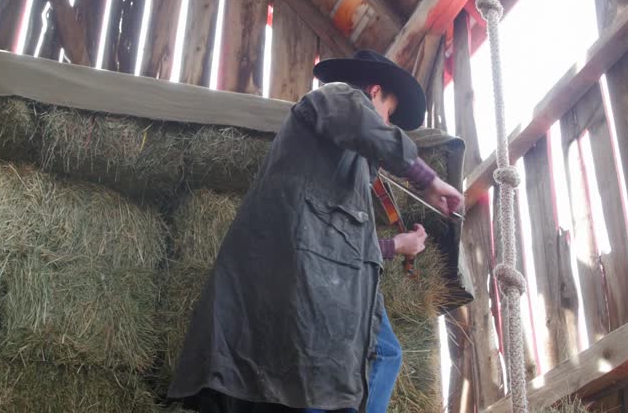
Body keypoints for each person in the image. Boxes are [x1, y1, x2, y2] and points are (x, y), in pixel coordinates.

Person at [168, 50, 464, 413]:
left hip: (327, 282)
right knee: (331, 368)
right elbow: (319, 232)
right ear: (373, 93)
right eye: (388, 115)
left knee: (375, 356)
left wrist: (397, 245)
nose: (388, 127)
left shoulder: (347, 173)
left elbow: (338, 238)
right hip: (311, 283)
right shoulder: (339, 96)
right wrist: (425, 178)